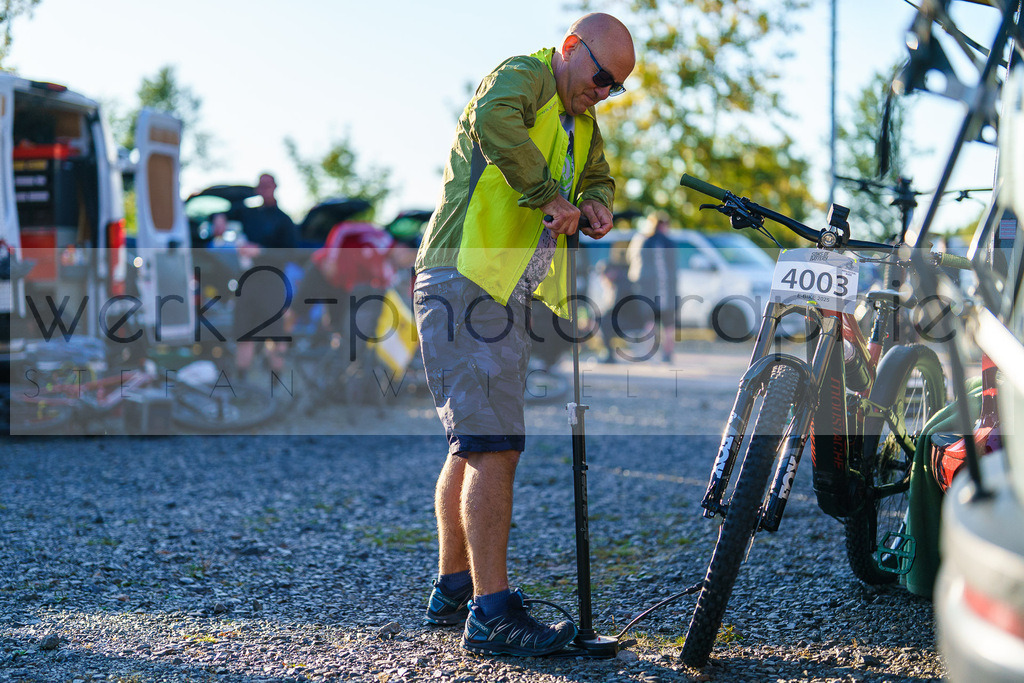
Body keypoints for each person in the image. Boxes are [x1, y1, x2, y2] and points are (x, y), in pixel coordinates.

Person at [413, 13, 634, 657]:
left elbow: (596, 175)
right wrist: (544, 193)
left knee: (471, 444)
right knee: (495, 445)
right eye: (600, 77)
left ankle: (456, 589)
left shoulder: (582, 121)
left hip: (498, 290)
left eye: (615, 87)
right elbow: (494, 122)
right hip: (464, 279)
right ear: (571, 49)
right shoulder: (525, 76)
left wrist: (596, 201)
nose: (604, 92)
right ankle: (493, 612)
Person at [228, 173, 298, 377]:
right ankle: (242, 380)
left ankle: (277, 379)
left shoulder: (284, 220)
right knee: (244, 331)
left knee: (277, 333)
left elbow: (291, 252)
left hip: (272, 282)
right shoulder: (248, 214)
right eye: (261, 186)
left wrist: (261, 251)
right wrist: (220, 220)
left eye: (268, 185)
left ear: (276, 187)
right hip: (248, 281)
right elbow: (226, 215)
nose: (265, 189)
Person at [628, 212, 677, 362]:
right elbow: (673, 269)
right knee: (668, 322)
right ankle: (668, 354)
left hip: (648, 289)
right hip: (666, 289)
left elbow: (636, 267)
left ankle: (650, 353)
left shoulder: (643, 241)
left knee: (650, 321)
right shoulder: (668, 242)